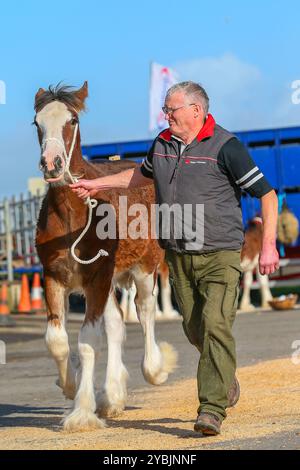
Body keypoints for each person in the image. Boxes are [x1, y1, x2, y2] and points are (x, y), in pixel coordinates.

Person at [70, 81, 279, 436]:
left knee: (215, 324)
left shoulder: (227, 147)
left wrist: (270, 245)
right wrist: (98, 185)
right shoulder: (163, 144)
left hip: (220, 253)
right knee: (195, 329)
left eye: (172, 109)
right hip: (179, 255)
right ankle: (223, 375)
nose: (165, 115)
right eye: (165, 109)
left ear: (196, 111)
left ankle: (211, 408)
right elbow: (141, 174)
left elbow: (268, 194)